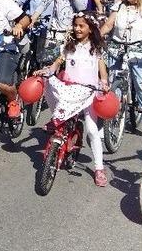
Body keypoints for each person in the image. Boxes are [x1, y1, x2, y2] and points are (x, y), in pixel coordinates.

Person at [38, 12, 110, 186]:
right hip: (70, 90)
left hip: (88, 93)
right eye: (75, 25)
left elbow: (102, 71)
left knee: (92, 131)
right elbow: (57, 64)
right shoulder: (69, 46)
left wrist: (105, 83)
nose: (77, 29)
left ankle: (99, 168)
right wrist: (47, 71)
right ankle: (56, 118)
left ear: (91, 29)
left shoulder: (96, 48)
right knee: (49, 82)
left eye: (81, 26)